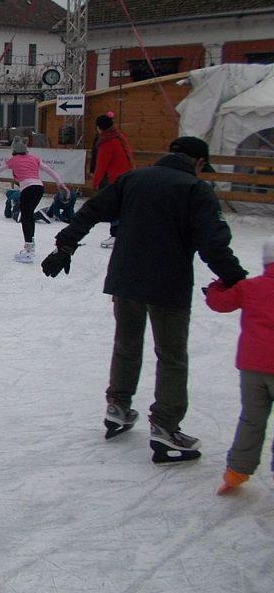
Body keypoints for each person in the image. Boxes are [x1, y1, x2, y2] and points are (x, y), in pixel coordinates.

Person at [41, 136, 247, 464]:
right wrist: (238, 281)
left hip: (126, 280)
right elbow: (213, 244)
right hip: (168, 286)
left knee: (126, 345)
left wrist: (64, 246)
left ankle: (118, 406)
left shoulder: (133, 179)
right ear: (197, 163)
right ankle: (165, 426)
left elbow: (91, 211)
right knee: (171, 356)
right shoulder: (196, 189)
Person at [204, 238, 274, 494]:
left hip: (253, 368)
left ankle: (236, 472)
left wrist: (215, 286)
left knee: (251, 420)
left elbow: (220, 302)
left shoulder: (251, 287)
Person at [0, 137, 67, 263]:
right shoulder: (34, 158)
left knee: (26, 218)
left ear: (14, 150)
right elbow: (50, 170)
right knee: (29, 216)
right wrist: (60, 183)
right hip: (39, 188)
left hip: (28, 188)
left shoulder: (13, 160)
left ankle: (29, 250)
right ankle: (30, 246)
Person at [92, 114, 134, 248]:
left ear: (99, 127)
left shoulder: (106, 141)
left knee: (114, 207)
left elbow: (101, 164)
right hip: (129, 176)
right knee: (124, 206)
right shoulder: (119, 136)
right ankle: (126, 234)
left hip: (116, 179)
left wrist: (96, 182)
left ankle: (116, 235)